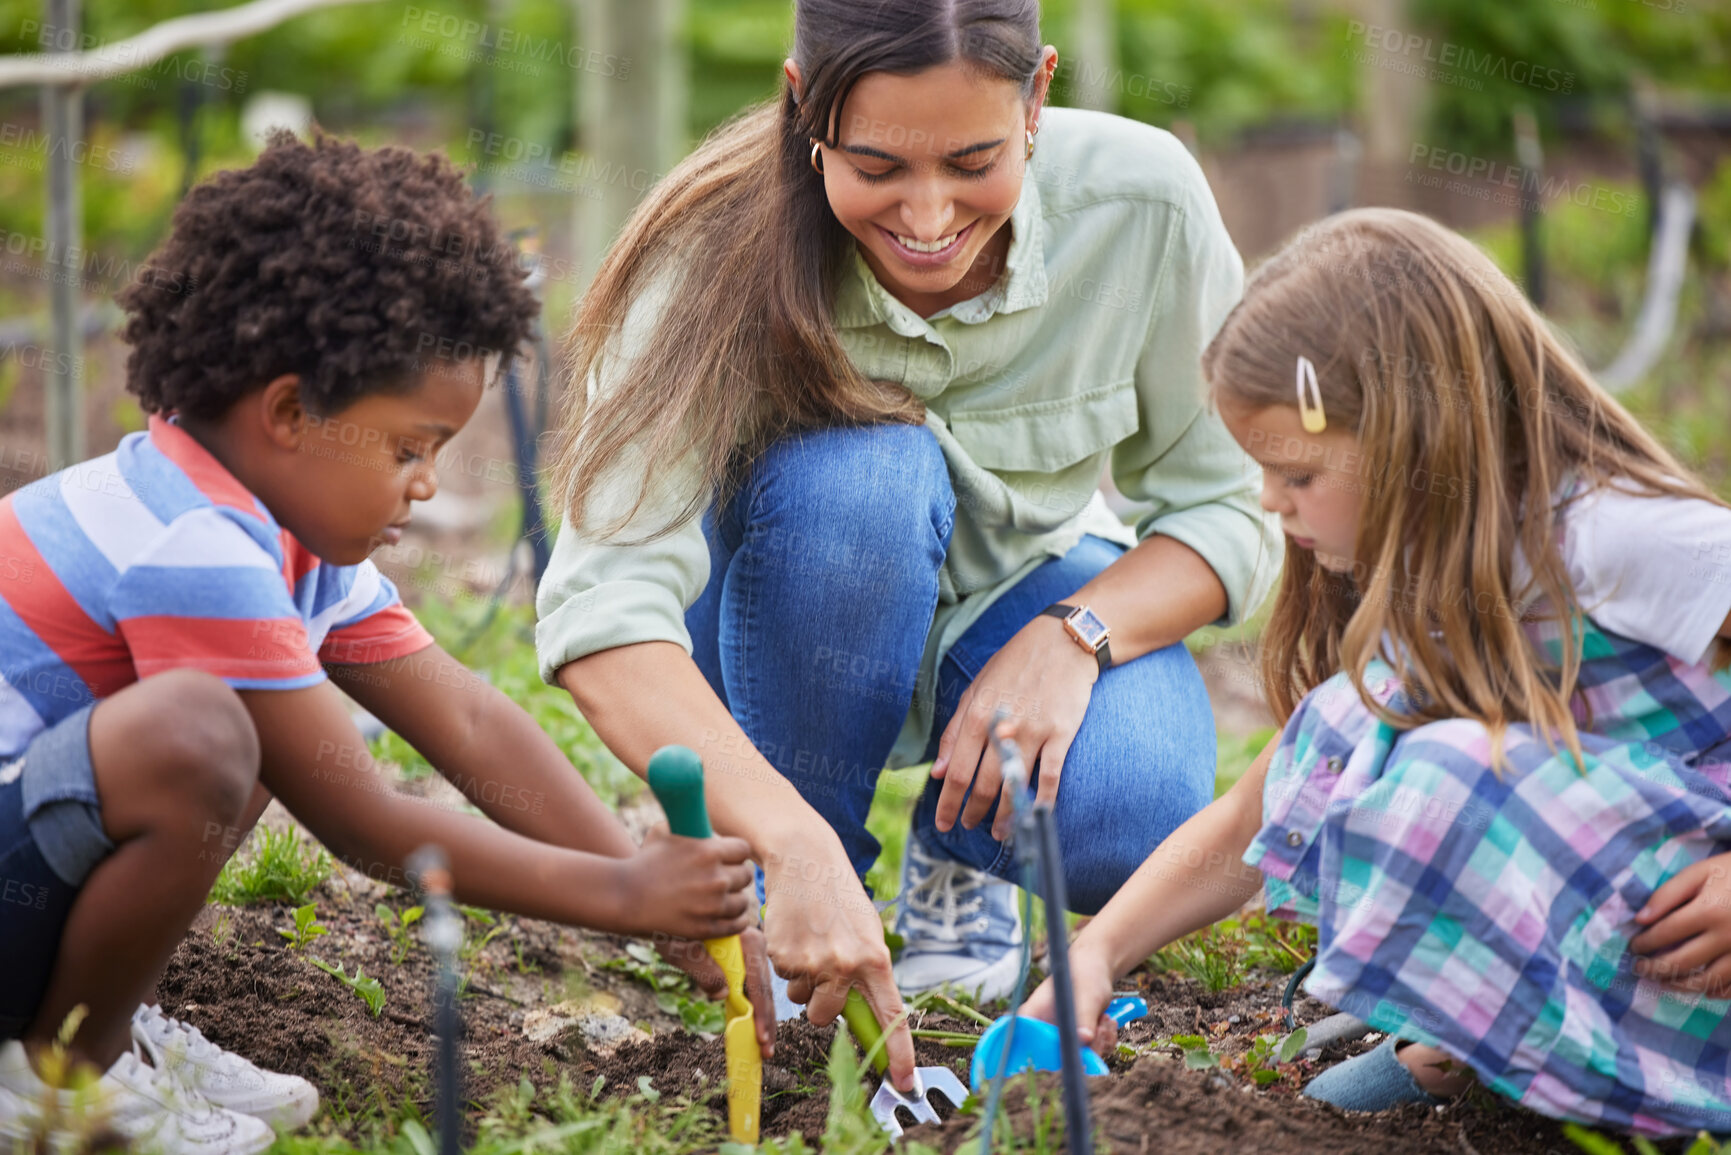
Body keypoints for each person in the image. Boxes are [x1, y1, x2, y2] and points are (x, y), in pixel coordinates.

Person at [534, 0, 1280, 1089]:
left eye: (972, 160)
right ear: (805, 107)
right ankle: (802, 866)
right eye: (877, 166)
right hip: (772, 604)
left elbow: (1231, 503)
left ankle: (952, 849)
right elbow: (604, 612)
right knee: (869, 478)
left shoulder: (1141, 200)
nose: (928, 216)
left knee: (1136, 815)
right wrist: (796, 850)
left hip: (1020, 591)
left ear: (1037, 96)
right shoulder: (708, 250)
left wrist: (1075, 637)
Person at [0, 131, 764, 1153]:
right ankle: (58, 1077)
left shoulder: (275, 536)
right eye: (410, 448)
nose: (428, 484)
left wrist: (648, 886)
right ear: (288, 411)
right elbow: (363, 824)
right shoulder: (192, 546)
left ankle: (100, 1025)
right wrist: (623, 895)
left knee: (263, 722)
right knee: (200, 732)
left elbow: (469, 719)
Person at [1023, 206, 1731, 1137]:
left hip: (1701, 937)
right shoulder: (1434, 576)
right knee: (1347, 721)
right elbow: (1253, 811)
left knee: (1445, 770)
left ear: (1416, 433)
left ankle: (1552, 1056)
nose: (1272, 505)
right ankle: (1487, 1046)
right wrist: (1095, 953)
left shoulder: (1621, 536)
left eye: (1298, 476)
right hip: (1640, 915)